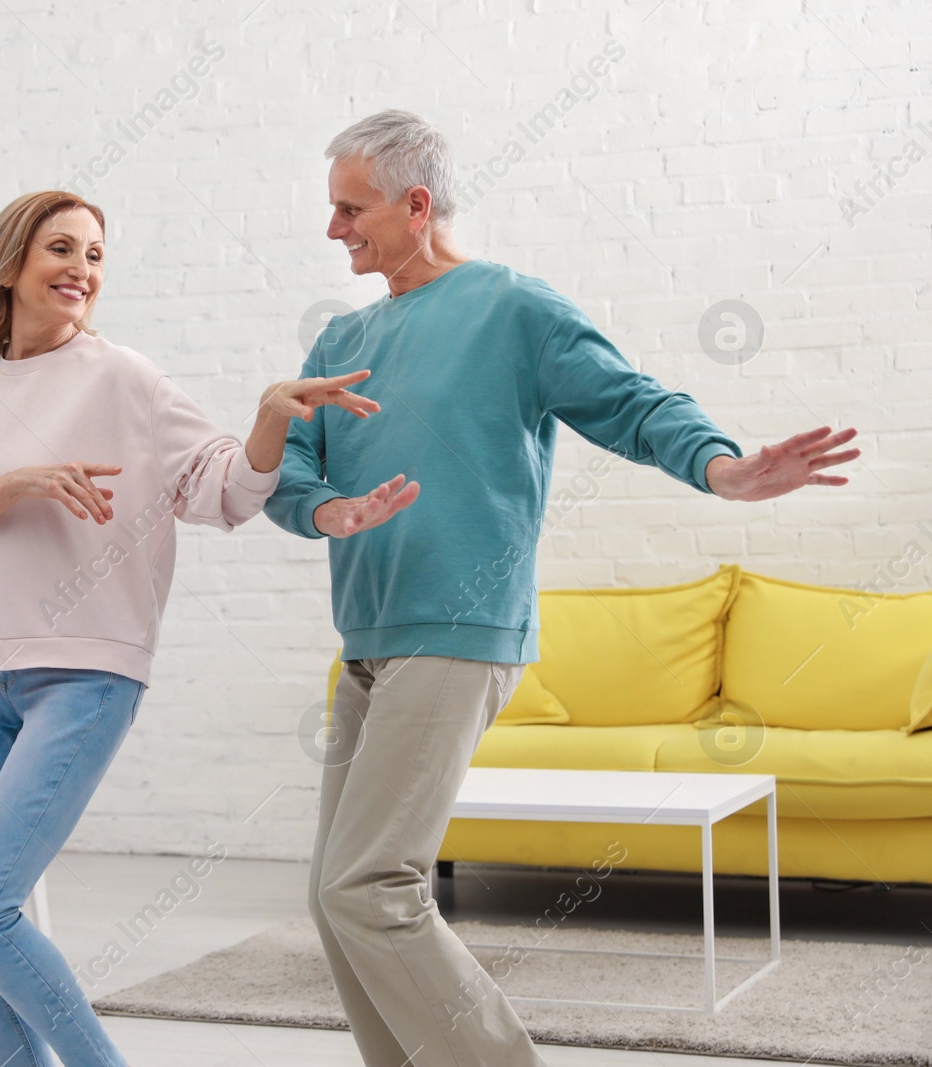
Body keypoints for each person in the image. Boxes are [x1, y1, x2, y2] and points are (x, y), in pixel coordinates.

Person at [264, 109, 861, 1067]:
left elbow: (630, 401)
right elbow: (290, 468)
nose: (334, 228)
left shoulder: (510, 307)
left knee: (370, 885)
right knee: (338, 901)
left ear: (417, 207)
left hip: (457, 630)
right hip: (368, 636)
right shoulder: (341, 337)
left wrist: (722, 467)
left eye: (351, 208)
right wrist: (325, 511)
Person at [0, 189, 377, 1067]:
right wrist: (9, 487)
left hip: (85, 676)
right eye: (61, 248)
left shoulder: (125, 379)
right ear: (9, 265)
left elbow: (221, 490)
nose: (82, 269)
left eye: (96, 255)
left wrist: (265, 422)